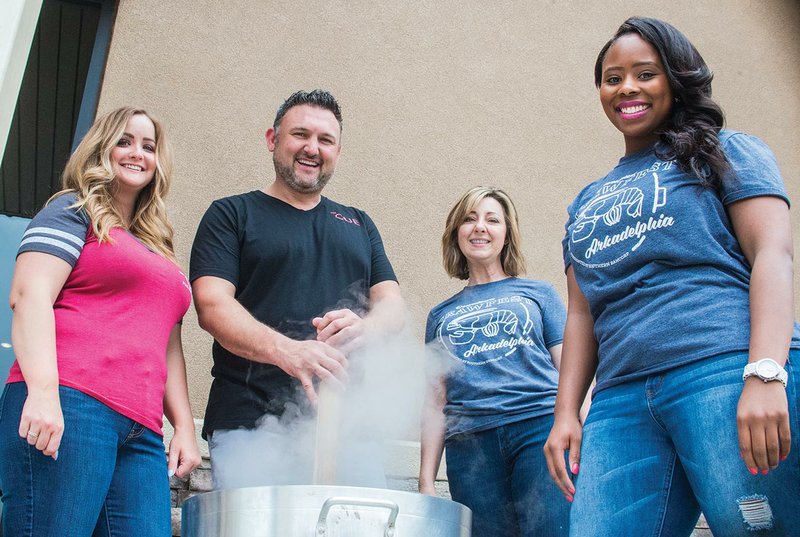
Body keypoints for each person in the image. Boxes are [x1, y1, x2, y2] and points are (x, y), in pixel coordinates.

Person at [543, 16, 800, 537]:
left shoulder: (727, 149)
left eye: (645, 73)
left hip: (722, 370)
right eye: (612, 78)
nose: (627, 88)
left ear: (677, 79)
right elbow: (581, 312)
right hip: (618, 400)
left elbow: (772, 253)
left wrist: (767, 371)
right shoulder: (585, 202)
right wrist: (566, 412)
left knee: (758, 528)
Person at [0, 106, 201, 536]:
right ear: (100, 148)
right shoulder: (72, 210)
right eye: (124, 141)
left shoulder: (158, 247)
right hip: (74, 403)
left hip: (141, 430)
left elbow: (167, 343)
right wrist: (43, 392)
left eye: (149, 147)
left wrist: (183, 426)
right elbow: (29, 295)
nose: (137, 153)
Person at [190, 89, 404, 488]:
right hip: (250, 425)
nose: (312, 148)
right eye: (300, 134)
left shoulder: (359, 224)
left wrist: (367, 328)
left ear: (338, 153)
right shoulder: (231, 214)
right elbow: (212, 305)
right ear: (273, 139)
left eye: (325, 140)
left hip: (350, 433)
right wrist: (289, 352)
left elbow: (392, 305)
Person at [419, 186, 570, 537]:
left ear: (506, 234)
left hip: (538, 428)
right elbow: (434, 402)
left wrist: (585, 433)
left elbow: (569, 371)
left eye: (492, 220)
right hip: (470, 446)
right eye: (469, 219)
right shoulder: (440, 315)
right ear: (456, 234)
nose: (480, 227)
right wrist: (427, 480)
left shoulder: (539, 294)